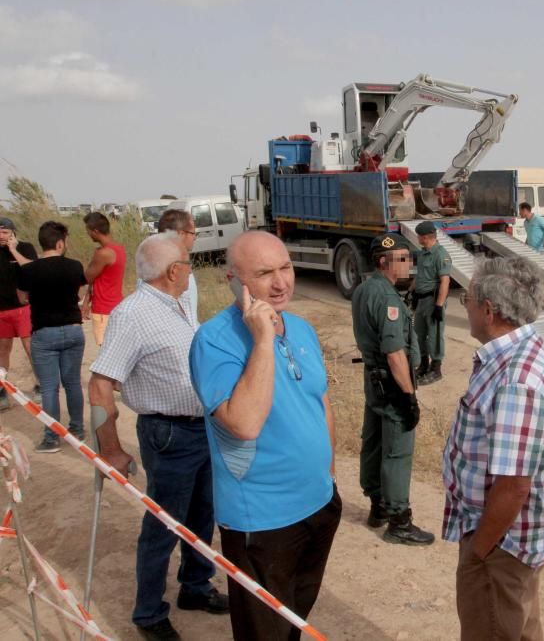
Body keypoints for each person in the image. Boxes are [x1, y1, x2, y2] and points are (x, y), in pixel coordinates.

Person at [189, 231, 340, 640]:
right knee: (264, 632)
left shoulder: (302, 328)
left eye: (285, 268)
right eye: (264, 274)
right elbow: (243, 423)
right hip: (264, 520)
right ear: (234, 281)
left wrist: (327, 475)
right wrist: (261, 339)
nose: (280, 283)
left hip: (319, 502)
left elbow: (319, 400)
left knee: (295, 616)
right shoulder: (214, 341)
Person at [88, 232, 225, 640]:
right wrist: (110, 450)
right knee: (164, 525)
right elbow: (99, 385)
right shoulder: (134, 314)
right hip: (169, 434)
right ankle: (148, 614)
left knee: (202, 516)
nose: (191, 267)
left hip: (202, 428)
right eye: (187, 261)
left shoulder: (179, 303)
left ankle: (195, 587)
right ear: (172, 271)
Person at [442, 256, 544, 641]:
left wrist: (478, 552)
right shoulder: (524, 348)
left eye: (467, 301)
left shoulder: (517, 379)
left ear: (489, 310)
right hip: (509, 540)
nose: (465, 309)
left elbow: (513, 486)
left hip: (500, 544)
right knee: (519, 628)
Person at [352, 233, 434, 545]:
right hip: (391, 381)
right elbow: (395, 353)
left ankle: (378, 506)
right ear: (384, 263)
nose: (409, 264)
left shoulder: (364, 289)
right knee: (397, 450)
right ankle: (399, 520)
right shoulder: (387, 298)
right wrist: (409, 396)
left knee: (372, 440)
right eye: (403, 259)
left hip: (374, 380)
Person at [16, 221, 87, 453]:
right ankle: (77, 429)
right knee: (73, 383)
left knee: (49, 388)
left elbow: (22, 299)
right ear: (60, 243)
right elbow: (79, 290)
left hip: (44, 332)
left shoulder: (28, 271)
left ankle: (51, 438)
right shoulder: (75, 266)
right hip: (73, 329)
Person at [0, 217, 39, 409]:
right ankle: (1, 390)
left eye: (5, 232)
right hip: (1, 310)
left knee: (30, 347)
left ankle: (40, 385)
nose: (1, 236)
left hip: (22, 307)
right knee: (2, 350)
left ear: (13, 232)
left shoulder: (25, 247)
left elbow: (35, 269)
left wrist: (13, 249)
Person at [411, 221, 451, 385]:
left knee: (434, 335)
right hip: (421, 300)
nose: (418, 238)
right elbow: (420, 276)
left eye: (419, 236)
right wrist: (411, 291)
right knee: (418, 333)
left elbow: (445, 281)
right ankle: (423, 365)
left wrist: (439, 305)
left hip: (433, 300)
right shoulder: (423, 253)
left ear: (426, 237)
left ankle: (436, 369)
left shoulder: (440, 255)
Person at [83, 212, 126, 345]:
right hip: (116, 306)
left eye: (88, 231)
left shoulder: (103, 253)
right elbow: (97, 278)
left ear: (95, 231)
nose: (88, 234)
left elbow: (87, 277)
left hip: (103, 309)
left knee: (105, 352)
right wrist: (86, 301)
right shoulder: (119, 250)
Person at [156, 209, 200, 319]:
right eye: (193, 233)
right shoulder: (173, 268)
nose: (195, 238)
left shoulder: (152, 264)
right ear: (181, 234)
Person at [519, 201, 544, 302]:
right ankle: (533, 295)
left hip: (541, 251)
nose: (519, 213)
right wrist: (525, 245)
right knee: (531, 273)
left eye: (520, 210)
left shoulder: (538, 219)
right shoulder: (525, 223)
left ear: (525, 210)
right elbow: (529, 235)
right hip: (531, 251)